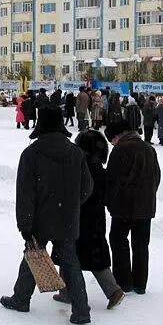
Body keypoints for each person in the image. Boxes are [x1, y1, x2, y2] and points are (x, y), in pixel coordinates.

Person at [0, 107, 93, 325]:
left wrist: (25, 224)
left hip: (39, 219)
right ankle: (81, 310)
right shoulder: (75, 152)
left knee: (33, 255)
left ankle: (21, 299)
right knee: (71, 263)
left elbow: (25, 193)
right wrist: (71, 204)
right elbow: (87, 187)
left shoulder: (31, 154)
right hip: (67, 219)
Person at [53, 130, 125, 310]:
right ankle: (113, 290)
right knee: (95, 257)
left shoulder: (78, 169)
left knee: (67, 252)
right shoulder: (101, 171)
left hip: (77, 218)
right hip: (96, 219)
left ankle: (66, 292)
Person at [104, 118, 161, 295]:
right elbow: (156, 176)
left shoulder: (121, 150)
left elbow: (112, 181)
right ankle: (140, 283)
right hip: (145, 207)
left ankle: (123, 282)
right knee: (141, 245)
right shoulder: (149, 149)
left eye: (111, 140)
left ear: (117, 136)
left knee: (118, 242)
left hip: (123, 207)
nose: (112, 144)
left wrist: (109, 201)